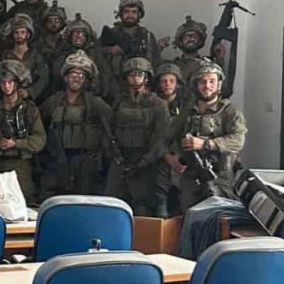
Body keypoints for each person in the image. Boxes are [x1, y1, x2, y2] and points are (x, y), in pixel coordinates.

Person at [167, 59, 247, 213]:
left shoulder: (229, 111)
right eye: (202, 82)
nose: (207, 86)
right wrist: (171, 157)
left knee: (218, 219)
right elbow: (166, 137)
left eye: (212, 81)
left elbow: (238, 140)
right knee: (190, 217)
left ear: (219, 84)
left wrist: (206, 144)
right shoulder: (187, 112)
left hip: (220, 178)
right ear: (196, 85)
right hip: (190, 179)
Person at [39, 51, 113, 198]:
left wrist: (101, 152)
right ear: (66, 77)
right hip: (57, 160)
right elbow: (38, 124)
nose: (77, 78)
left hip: (86, 162)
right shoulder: (54, 101)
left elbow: (111, 126)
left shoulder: (95, 103)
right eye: (73, 74)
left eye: (81, 75)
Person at [106, 57, 170, 217]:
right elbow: (110, 130)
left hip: (146, 162)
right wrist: (115, 154)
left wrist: (145, 162)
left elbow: (162, 138)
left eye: (139, 74)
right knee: (111, 204)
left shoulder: (158, 104)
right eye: (131, 75)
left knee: (143, 208)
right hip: (120, 159)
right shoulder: (119, 102)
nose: (135, 79)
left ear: (146, 77)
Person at [0, 60, 46, 204]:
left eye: (10, 82)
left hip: (20, 165)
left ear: (16, 84)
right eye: (3, 83)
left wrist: (16, 143)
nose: (6, 86)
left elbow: (40, 140)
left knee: (24, 204)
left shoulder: (29, 110)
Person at [101, 0, 162, 84]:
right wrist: (109, 50)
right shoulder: (111, 34)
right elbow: (97, 54)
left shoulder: (147, 36)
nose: (130, 15)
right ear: (120, 14)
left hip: (141, 83)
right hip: (116, 83)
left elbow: (155, 62)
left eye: (134, 12)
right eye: (126, 12)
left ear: (139, 14)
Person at [50, 14, 115, 102]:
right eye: (75, 33)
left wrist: (102, 95)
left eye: (82, 34)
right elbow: (56, 78)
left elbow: (105, 76)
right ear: (70, 37)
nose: (78, 36)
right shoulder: (62, 55)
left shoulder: (97, 56)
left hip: (92, 96)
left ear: (87, 37)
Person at [154, 62, 184, 217]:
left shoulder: (187, 106)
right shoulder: (153, 105)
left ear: (177, 83)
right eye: (163, 81)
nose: (167, 84)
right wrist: (165, 156)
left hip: (181, 161)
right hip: (157, 159)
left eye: (171, 81)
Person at [0, 13, 50, 102]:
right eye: (16, 32)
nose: (19, 35)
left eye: (23, 32)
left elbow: (43, 79)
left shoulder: (36, 56)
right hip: (8, 98)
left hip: (30, 100)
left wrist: (30, 92)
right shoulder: (6, 56)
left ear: (28, 34)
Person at [172, 16, 209, 83]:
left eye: (195, 36)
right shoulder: (173, 66)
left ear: (200, 41)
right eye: (187, 36)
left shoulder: (207, 65)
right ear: (180, 42)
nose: (191, 38)